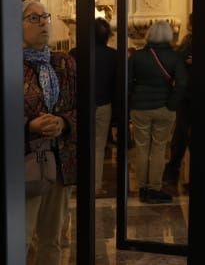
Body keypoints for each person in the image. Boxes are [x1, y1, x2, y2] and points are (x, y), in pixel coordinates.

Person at [21, 0, 77, 265]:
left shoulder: (64, 63)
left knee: (52, 235)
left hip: (59, 158)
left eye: (45, 16)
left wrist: (63, 122)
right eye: (33, 17)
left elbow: (81, 106)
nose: (42, 22)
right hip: (26, 160)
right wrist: (30, 125)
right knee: (22, 237)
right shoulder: (9, 63)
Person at [127, 20, 186, 204]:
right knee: (159, 148)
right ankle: (154, 188)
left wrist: (132, 102)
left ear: (149, 35)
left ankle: (142, 188)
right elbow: (183, 82)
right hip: (164, 108)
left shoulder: (137, 56)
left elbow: (127, 82)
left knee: (142, 147)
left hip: (140, 109)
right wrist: (172, 104)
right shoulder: (174, 57)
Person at [79, 17, 120, 197]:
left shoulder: (76, 52)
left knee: (79, 145)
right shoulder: (113, 55)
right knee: (98, 146)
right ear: (107, 36)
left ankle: (78, 183)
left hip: (80, 105)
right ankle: (94, 186)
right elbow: (116, 84)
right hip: (104, 104)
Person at [163, 12, 195, 191]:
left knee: (181, 136)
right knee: (186, 136)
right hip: (197, 96)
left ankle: (172, 173)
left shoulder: (188, 41)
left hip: (187, 95)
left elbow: (180, 60)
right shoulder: (195, 42)